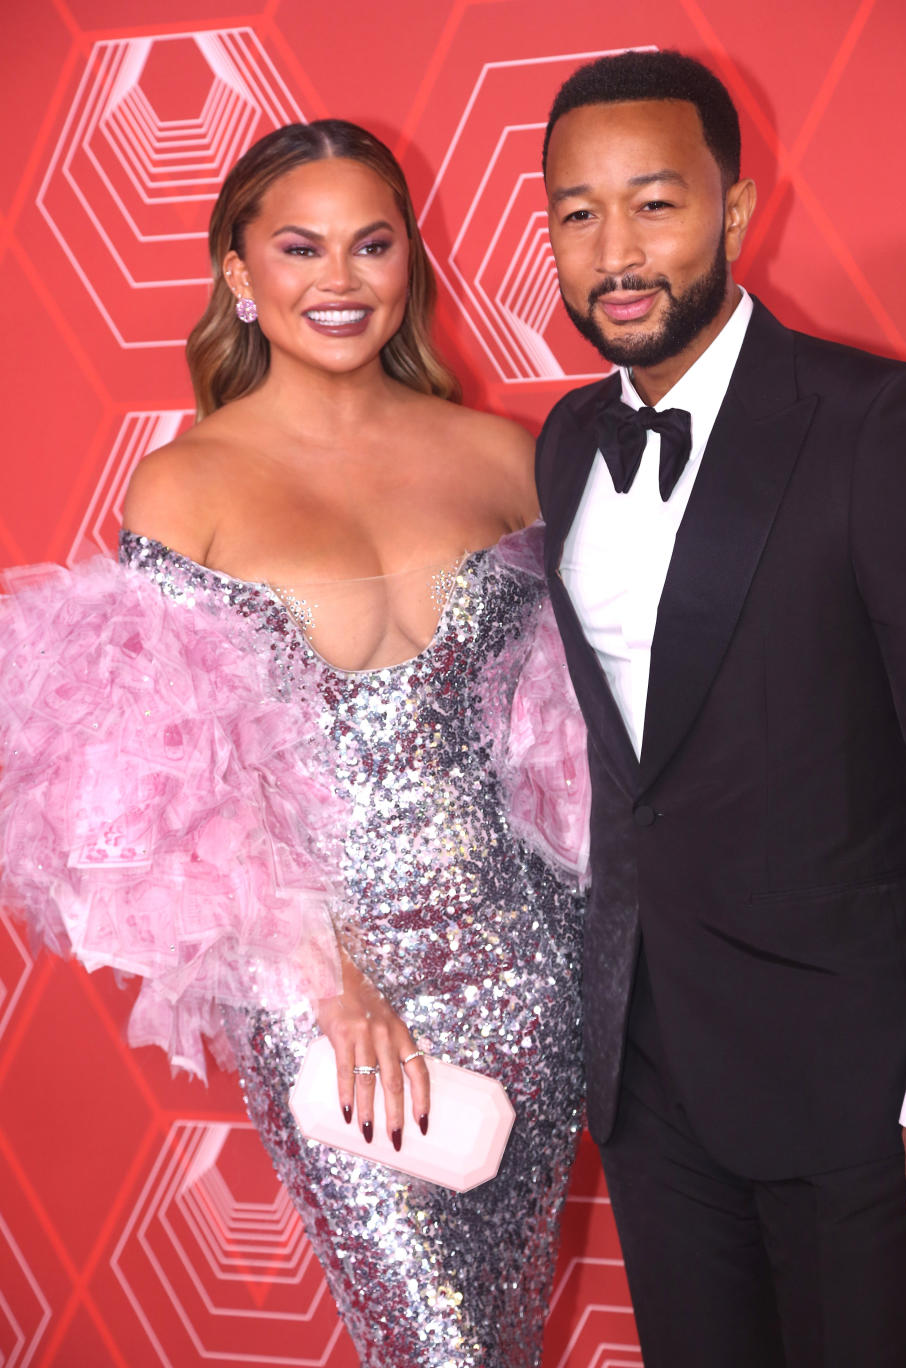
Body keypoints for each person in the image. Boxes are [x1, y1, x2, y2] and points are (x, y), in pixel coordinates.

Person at [0, 119, 590, 1368]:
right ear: (238, 273)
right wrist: (332, 984)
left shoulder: (506, 459)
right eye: (300, 247)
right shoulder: (185, 488)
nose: (339, 280)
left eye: (372, 245)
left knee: (501, 1328)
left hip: (525, 967)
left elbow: (571, 736)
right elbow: (183, 791)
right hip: (329, 985)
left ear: (408, 264)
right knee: (435, 1345)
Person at [535, 48, 906, 1367]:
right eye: (578, 211)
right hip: (654, 1076)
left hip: (858, 1091)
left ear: (734, 206)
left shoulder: (881, 423)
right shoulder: (560, 445)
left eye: (654, 203)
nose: (616, 249)